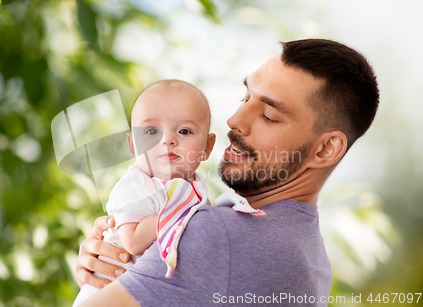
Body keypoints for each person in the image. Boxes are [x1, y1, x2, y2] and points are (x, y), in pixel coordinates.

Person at [75, 39, 380, 306]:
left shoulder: (214, 235)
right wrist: (122, 268)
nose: (234, 120)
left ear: (326, 149)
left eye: (269, 115)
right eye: (245, 98)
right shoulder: (313, 260)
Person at [73, 80, 217, 306]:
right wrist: (177, 219)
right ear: (132, 147)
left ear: (207, 147)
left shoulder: (197, 186)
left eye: (184, 131)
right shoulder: (134, 186)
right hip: (107, 289)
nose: (167, 139)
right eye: (151, 131)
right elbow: (132, 242)